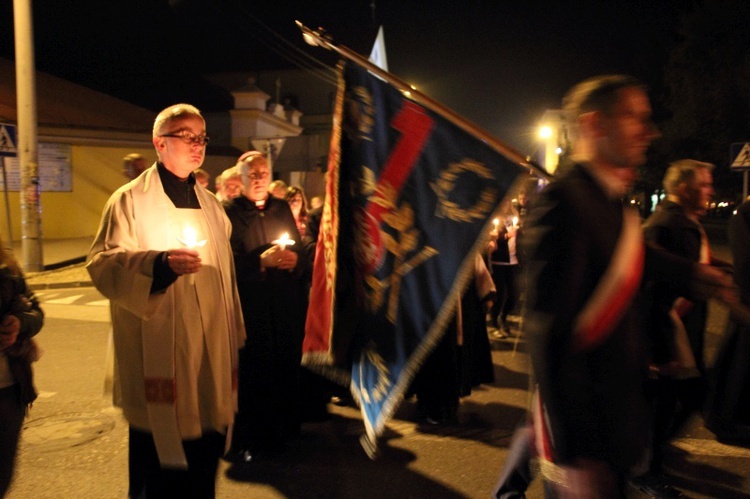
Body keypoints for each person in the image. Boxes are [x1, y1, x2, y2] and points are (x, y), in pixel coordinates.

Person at [521, 75, 735, 497]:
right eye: (634, 117)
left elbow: (638, 253)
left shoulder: (609, 199)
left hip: (618, 419)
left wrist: (695, 275)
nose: (650, 132)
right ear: (595, 124)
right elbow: (550, 335)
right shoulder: (562, 202)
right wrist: (574, 456)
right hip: (588, 437)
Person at [87, 103, 245, 498]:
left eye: (202, 137)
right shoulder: (129, 201)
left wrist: (234, 331)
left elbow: (227, 277)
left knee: (203, 456)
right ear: (160, 143)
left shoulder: (212, 205)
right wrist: (159, 264)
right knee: (158, 468)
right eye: (186, 136)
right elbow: (103, 265)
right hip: (159, 352)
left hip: (208, 350)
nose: (198, 146)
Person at [639, 159, 733, 492]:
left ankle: (652, 457)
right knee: (669, 400)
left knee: (685, 397)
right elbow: (654, 282)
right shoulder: (665, 225)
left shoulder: (685, 222)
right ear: (683, 188)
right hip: (667, 333)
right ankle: (645, 468)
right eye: (704, 184)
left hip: (680, 332)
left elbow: (694, 263)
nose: (710, 190)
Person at [224, 151, 310, 462]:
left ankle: (287, 426)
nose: (259, 177)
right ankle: (255, 435)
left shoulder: (281, 207)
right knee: (255, 369)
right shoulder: (230, 212)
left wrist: (295, 260)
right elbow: (228, 260)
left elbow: (301, 250)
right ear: (241, 178)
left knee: (286, 362)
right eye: (252, 173)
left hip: (284, 302)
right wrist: (258, 262)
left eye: (263, 172)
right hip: (253, 305)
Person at [0, 237, 44, 497]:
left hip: (9, 388)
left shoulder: (8, 270)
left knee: (3, 473)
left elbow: (36, 312)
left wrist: (20, 323)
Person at [705, 197, 750, 443]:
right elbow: (745, 261)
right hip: (746, 300)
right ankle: (727, 420)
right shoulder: (744, 214)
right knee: (738, 361)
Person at [488, 199, 520, 338]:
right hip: (499, 262)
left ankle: (503, 316)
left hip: (514, 261)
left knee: (513, 295)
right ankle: (495, 323)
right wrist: (506, 236)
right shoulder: (495, 218)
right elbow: (493, 237)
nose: (505, 204)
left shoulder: (514, 217)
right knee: (499, 295)